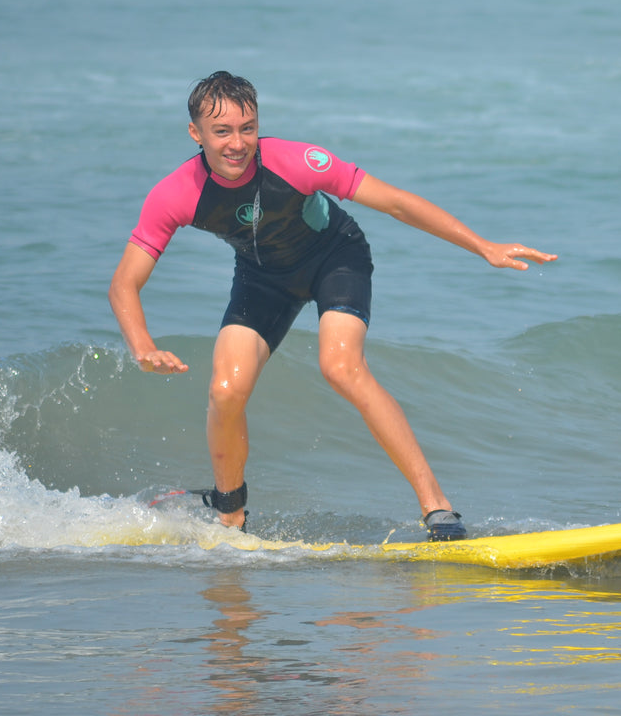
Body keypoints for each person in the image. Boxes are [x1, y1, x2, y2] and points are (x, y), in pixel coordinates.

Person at [109, 71, 557, 540]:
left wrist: (482, 246)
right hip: (263, 278)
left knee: (341, 367)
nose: (238, 143)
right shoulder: (176, 193)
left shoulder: (296, 160)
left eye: (248, 127)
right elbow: (124, 284)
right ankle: (231, 516)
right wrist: (142, 346)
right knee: (225, 390)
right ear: (195, 133)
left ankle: (437, 508)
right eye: (222, 131)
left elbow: (396, 203)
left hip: (334, 257)